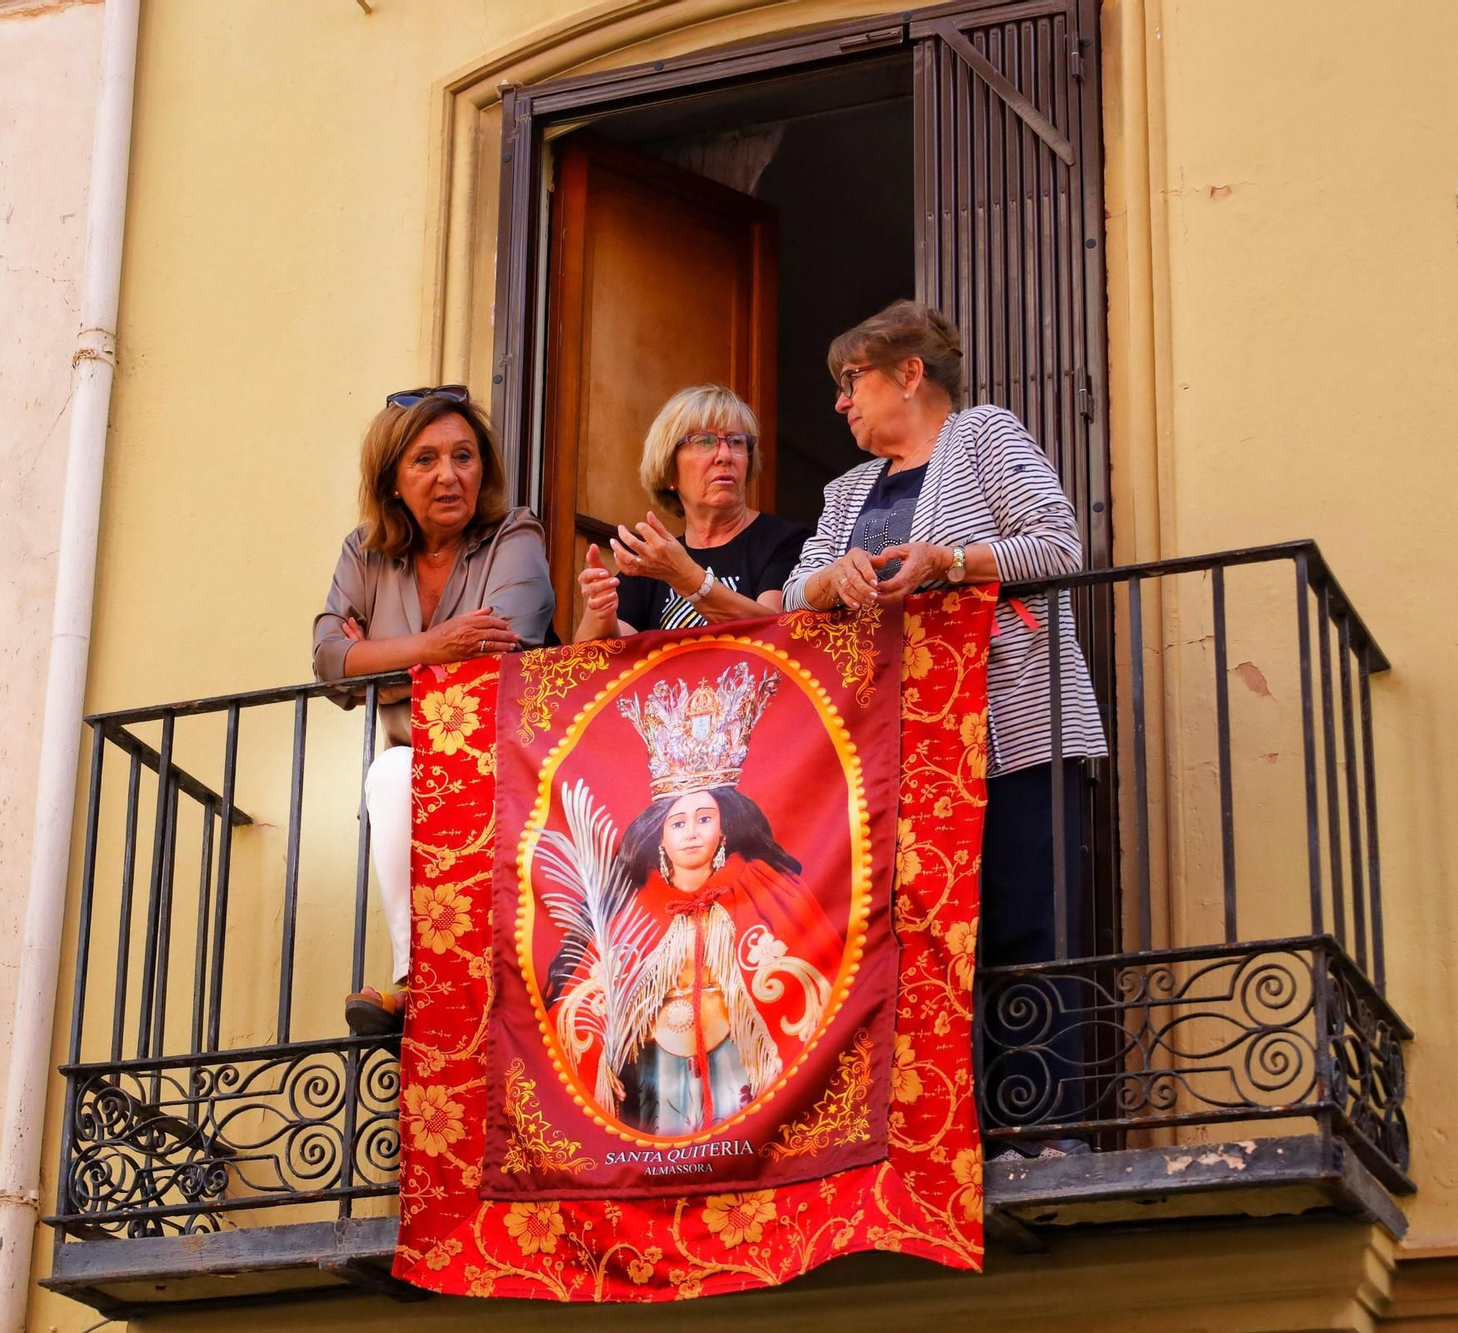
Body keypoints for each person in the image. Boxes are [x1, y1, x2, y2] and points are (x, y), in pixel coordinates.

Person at [781, 300, 1108, 1157]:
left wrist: (949, 563)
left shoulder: (986, 436)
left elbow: (1061, 547)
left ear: (910, 374)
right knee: (924, 944)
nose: (841, 404)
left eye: (852, 381)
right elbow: (789, 597)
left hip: (1013, 734)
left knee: (1026, 922)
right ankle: (946, 1139)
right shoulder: (845, 491)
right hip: (900, 756)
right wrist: (828, 583)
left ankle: (1042, 1134)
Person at [312, 385, 554, 1036]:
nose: (449, 474)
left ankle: (425, 986)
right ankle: (419, 982)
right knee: (393, 774)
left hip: (507, 772)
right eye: (425, 459)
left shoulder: (515, 534)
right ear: (392, 480)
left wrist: (382, 663)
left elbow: (506, 651)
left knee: (400, 770)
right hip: (419, 776)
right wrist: (436, 648)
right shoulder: (364, 552)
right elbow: (329, 660)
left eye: (464, 456)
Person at [542, 664, 841, 1136]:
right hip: (659, 1063)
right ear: (659, 836)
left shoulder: (762, 886)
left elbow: (822, 972)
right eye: (678, 823)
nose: (691, 833)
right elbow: (586, 995)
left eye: (704, 818)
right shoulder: (634, 908)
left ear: (724, 827)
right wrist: (606, 1055)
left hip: (738, 1058)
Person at [574, 386, 810, 641]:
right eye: (704, 441)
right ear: (670, 471)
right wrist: (600, 609)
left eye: (736, 441)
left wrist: (686, 578)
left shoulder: (788, 541)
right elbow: (593, 658)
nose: (725, 455)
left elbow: (776, 633)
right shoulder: (658, 561)